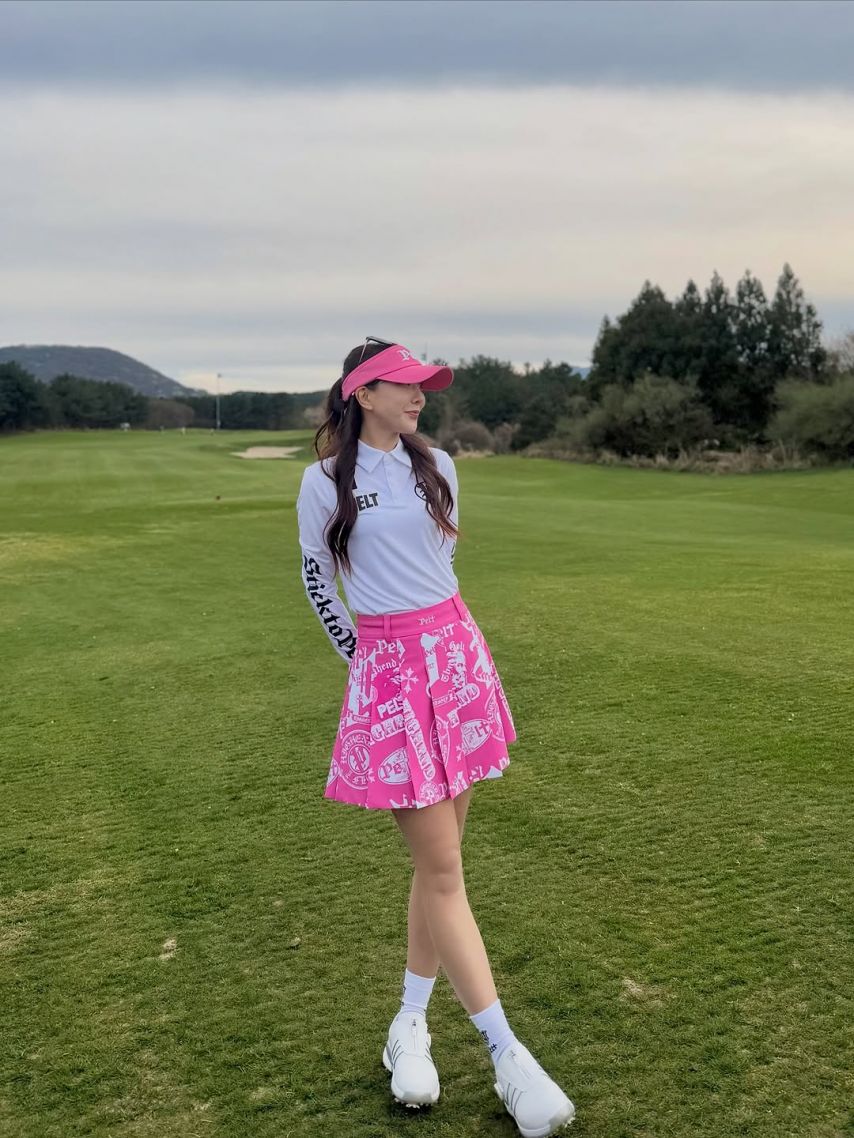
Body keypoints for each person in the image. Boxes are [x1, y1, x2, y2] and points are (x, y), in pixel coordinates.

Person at [295, 337, 576, 1137]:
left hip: (456, 661)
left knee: (439, 864)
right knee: (444, 871)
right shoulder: (324, 482)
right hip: (390, 674)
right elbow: (317, 577)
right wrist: (365, 661)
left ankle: (409, 1025)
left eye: (424, 386)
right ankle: (508, 1057)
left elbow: (440, 573)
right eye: (405, 385)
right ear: (363, 393)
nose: (421, 396)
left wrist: (441, 655)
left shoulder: (439, 466)